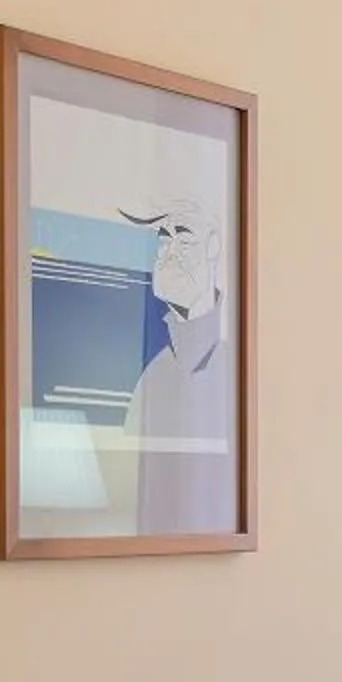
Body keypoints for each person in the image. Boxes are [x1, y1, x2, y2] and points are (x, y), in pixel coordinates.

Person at [118, 195, 235, 534]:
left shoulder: (231, 369)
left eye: (182, 235)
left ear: (213, 246)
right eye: (162, 238)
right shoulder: (154, 375)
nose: (167, 251)